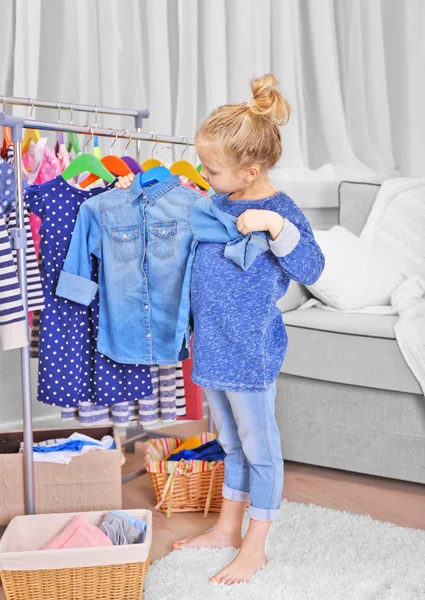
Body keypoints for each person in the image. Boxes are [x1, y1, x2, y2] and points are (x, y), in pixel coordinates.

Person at [115, 73, 325, 586]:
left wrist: (278, 230)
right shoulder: (214, 203)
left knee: (260, 445)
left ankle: (256, 544)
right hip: (208, 345)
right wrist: (134, 188)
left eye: (211, 170)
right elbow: (177, 206)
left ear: (249, 170)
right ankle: (228, 528)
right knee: (229, 442)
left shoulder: (279, 211)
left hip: (249, 350)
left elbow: (312, 267)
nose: (205, 176)